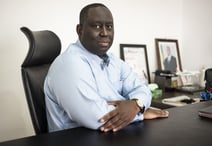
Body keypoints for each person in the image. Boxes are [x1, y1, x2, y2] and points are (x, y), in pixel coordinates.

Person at [44, 3, 169, 133]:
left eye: (109, 27)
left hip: (110, 136)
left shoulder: (113, 61)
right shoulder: (69, 64)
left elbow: (143, 89)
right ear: (80, 30)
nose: (104, 33)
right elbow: (96, 117)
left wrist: (136, 104)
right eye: (97, 26)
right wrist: (141, 112)